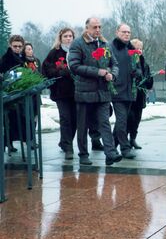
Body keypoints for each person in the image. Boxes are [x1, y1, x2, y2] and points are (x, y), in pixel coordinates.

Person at [67, 16, 122, 166]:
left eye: (99, 27)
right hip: (85, 92)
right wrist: (97, 72)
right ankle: (83, 154)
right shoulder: (78, 44)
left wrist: (113, 74)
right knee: (83, 125)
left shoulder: (105, 44)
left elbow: (114, 64)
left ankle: (110, 153)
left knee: (104, 123)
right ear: (87, 28)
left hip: (103, 91)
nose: (98, 30)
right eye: (94, 27)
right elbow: (75, 66)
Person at [43, 28, 78, 159]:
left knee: (75, 120)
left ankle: (64, 142)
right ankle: (69, 147)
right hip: (61, 92)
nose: (68, 38)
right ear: (61, 38)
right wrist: (60, 72)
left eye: (71, 36)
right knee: (65, 118)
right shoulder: (55, 53)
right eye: (66, 36)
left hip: (76, 92)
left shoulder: (77, 51)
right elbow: (46, 69)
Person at [110, 23, 139, 159]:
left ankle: (110, 146)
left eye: (129, 32)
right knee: (122, 120)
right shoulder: (111, 48)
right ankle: (125, 148)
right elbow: (107, 65)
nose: (127, 34)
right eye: (124, 32)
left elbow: (139, 66)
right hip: (117, 90)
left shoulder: (132, 48)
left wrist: (137, 72)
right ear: (117, 32)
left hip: (130, 91)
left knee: (123, 120)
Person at [0, 35, 25, 152]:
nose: (17, 48)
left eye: (20, 46)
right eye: (15, 46)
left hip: (22, 92)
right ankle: (8, 143)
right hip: (10, 92)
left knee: (18, 119)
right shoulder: (6, 58)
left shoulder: (22, 57)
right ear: (10, 45)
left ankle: (13, 141)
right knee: (9, 120)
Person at [127, 38, 153, 149]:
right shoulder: (129, 61)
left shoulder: (144, 63)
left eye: (140, 48)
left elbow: (149, 79)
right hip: (130, 95)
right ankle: (124, 140)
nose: (139, 51)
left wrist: (148, 80)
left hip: (140, 95)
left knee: (137, 118)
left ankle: (133, 138)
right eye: (136, 48)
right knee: (130, 118)